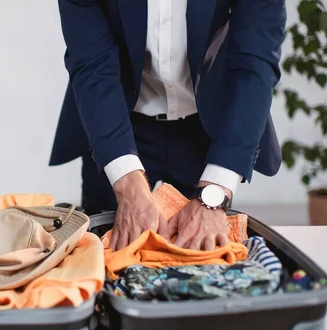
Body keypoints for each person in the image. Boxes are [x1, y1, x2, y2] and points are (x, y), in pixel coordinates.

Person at [49, 0, 286, 251]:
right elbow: (92, 67)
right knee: (106, 256)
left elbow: (255, 64)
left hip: (207, 129)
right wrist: (128, 185)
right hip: (118, 126)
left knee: (202, 256)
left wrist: (213, 196)